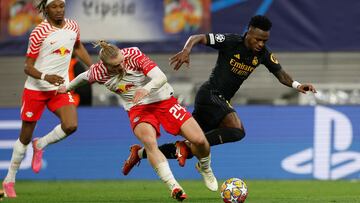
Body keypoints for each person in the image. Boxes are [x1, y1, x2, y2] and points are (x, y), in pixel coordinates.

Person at [122, 15, 317, 174]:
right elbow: (197, 37)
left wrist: (297, 85)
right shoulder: (231, 41)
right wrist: (186, 50)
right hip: (210, 94)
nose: (260, 44)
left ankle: (139, 154)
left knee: (195, 149)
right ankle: (187, 145)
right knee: (237, 129)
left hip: (218, 102)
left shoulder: (263, 54)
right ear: (248, 31)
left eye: (264, 40)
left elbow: (280, 73)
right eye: (257, 39)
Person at [57, 40, 218, 201]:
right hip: (138, 109)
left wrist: (145, 89)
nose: (121, 66)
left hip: (163, 100)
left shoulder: (133, 55)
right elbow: (82, 78)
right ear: (105, 66)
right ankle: (174, 186)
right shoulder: (98, 72)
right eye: (116, 66)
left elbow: (160, 77)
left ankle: (205, 168)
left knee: (199, 140)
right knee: (150, 142)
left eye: (121, 61)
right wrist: (67, 88)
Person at [2, 0, 92, 198]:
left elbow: (78, 47)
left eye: (62, 6)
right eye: (54, 6)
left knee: (71, 125)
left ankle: (40, 144)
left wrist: (93, 68)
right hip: (36, 89)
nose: (59, 10)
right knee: (24, 137)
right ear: (46, 9)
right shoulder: (39, 32)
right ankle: (9, 180)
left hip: (59, 89)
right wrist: (45, 76)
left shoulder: (72, 26)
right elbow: (28, 66)